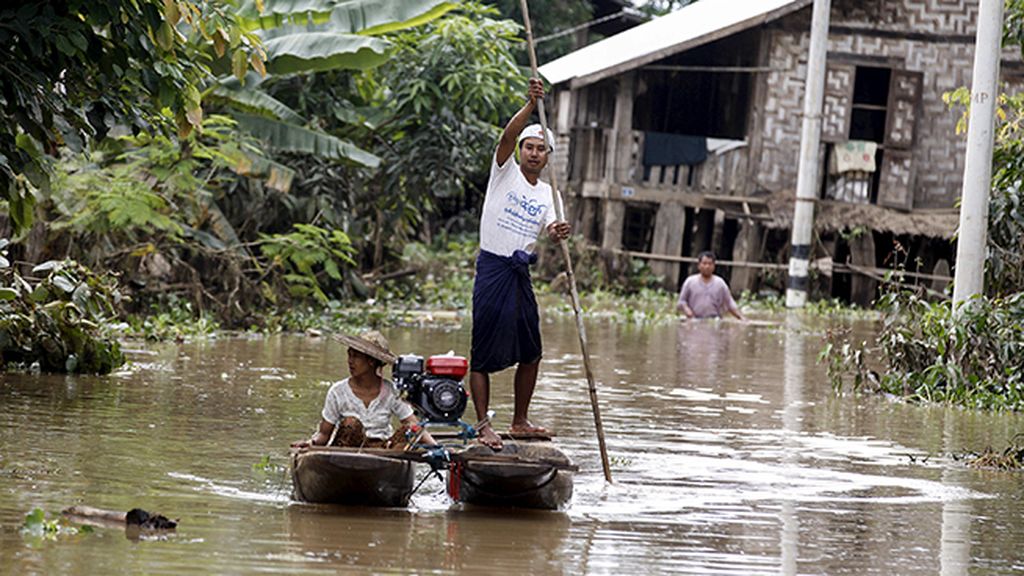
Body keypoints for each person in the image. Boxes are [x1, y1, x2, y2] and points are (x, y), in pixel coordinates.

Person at [470, 77, 571, 450]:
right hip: (492, 269)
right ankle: (483, 425)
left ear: (547, 157)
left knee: (532, 350)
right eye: (529, 147)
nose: (533, 153)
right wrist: (530, 105)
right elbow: (505, 138)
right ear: (520, 150)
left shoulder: (548, 193)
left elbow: (551, 228)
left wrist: (558, 231)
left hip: (519, 272)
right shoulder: (504, 171)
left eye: (541, 149)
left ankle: (519, 420)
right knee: (481, 353)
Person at [291, 330, 433, 449]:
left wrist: (436, 448)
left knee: (411, 428)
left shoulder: (391, 391)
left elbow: (414, 424)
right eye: (349, 355)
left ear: (371, 361)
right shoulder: (338, 391)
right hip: (348, 448)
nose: (350, 361)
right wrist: (310, 443)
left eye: (356, 357)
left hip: (383, 451)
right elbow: (323, 435)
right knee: (350, 423)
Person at [677, 251, 746, 321]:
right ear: (699, 265)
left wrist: (741, 318)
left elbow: (730, 303)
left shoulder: (720, 283)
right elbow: (681, 302)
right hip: (694, 319)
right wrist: (688, 311)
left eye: (710, 264)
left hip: (714, 320)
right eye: (704, 263)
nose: (707, 266)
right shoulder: (690, 282)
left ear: (714, 266)